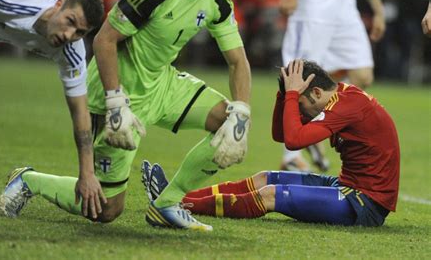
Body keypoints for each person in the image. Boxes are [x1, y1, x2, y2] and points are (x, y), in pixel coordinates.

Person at [0, 0, 252, 231]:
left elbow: (238, 61)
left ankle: (167, 203)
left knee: (228, 121)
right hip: (116, 97)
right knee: (106, 209)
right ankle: (28, 180)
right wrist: (116, 102)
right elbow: (103, 41)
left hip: (163, 84)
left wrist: (242, 113)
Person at [143, 59, 400, 226]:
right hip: (346, 186)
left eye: (300, 104)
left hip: (365, 203)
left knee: (269, 195)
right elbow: (281, 134)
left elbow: (293, 140)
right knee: (264, 178)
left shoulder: (347, 106)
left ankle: (177, 205)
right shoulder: (337, 98)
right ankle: (172, 195)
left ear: (317, 93)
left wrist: (290, 95)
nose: (299, 112)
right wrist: (284, 93)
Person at [0, 0, 105, 218]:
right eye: (70, 21)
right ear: (59, 3)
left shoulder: (71, 51)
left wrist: (87, 174)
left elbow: (81, 114)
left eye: (79, 32)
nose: (69, 34)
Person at [277, 0, 386, 172]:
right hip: (311, 8)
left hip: (345, 10)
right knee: (298, 79)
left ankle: (319, 122)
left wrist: (378, 10)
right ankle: (290, 156)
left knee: (362, 74)